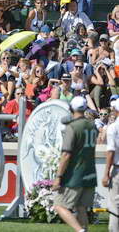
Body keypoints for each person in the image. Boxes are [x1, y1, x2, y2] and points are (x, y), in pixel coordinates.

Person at [53, 96, 97, 232]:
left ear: (71, 108)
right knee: (80, 207)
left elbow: (66, 154)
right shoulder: (92, 125)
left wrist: (59, 176)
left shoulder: (73, 127)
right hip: (90, 171)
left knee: (59, 206)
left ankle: (80, 230)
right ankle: (84, 229)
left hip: (75, 174)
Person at [103, 99, 119, 232]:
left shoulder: (113, 128)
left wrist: (106, 173)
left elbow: (111, 151)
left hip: (118, 170)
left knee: (115, 206)